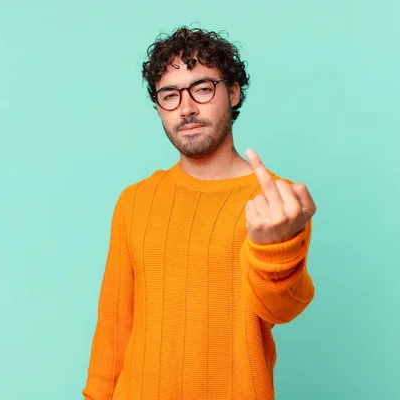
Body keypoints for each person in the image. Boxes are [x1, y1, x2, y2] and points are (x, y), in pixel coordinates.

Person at [82, 26, 317, 400]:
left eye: (203, 88)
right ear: (158, 107)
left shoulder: (276, 203)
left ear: (233, 92)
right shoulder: (135, 200)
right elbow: (114, 327)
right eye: (169, 95)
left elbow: (282, 308)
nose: (187, 108)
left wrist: (276, 248)